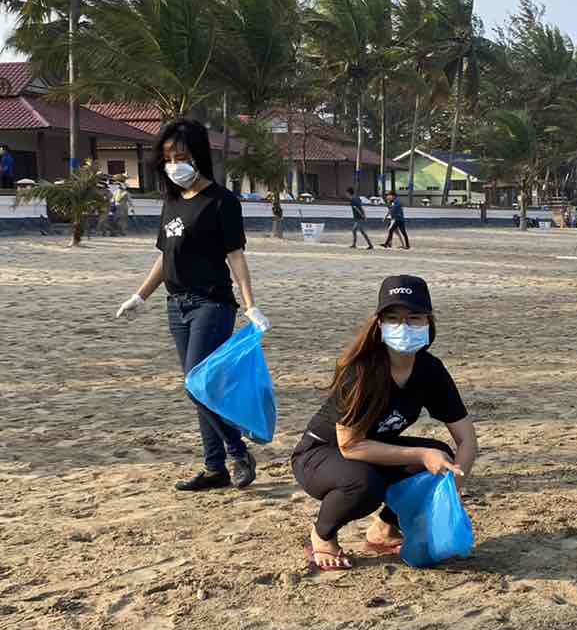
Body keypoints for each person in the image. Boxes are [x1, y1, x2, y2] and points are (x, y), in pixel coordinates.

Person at [115, 118, 269, 492]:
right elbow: (165, 258)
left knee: (197, 385)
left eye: (181, 156)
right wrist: (140, 295)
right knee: (199, 385)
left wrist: (250, 304)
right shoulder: (171, 201)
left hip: (211, 304)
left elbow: (236, 256)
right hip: (177, 306)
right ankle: (214, 468)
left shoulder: (221, 201)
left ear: (198, 156)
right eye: (168, 158)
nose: (174, 164)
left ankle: (237, 452)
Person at [292, 275, 477, 570]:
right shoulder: (361, 370)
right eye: (393, 318)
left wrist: (454, 482)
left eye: (414, 318)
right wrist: (420, 454)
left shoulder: (430, 370)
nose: (404, 327)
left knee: (441, 454)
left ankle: (384, 529)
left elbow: (466, 439)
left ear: (428, 322)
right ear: (379, 324)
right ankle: (322, 536)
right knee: (365, 484)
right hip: (320, 454)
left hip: (371, 449)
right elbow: (350, 445)